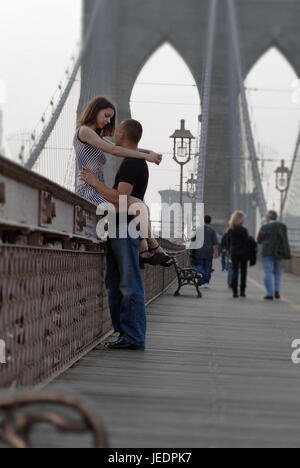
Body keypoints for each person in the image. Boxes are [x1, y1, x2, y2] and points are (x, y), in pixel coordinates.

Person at [80, 119, 170, 350]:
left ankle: (134, 338)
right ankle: (124, 334)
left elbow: (118, 198)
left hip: (125, 228)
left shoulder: (132, 165)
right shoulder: (135, 160)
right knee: (116, 282)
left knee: (129, 285)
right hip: (120, 228)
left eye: (115, 130)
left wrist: (93, 182)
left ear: (121, 134)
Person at [75, 96, 171, 267]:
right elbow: (113, 150)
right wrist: (146, 156)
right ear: (95, 111)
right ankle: (154, 248)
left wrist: (150, 153)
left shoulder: (95, 136)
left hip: (96, 189)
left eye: (110, 117)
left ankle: (145, 250)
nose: (108, 120)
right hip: (88, 191)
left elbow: (123, 148)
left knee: (141, 207)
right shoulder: (84, 131)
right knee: (138, 206)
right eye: (106, 115)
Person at [257, 210, 291, 300]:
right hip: (278, 253)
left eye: (267, 216)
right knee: (278, 273)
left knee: (268, 272)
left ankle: (270, 293)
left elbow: (259, 240)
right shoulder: (282, 227)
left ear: (269, 217)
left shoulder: (265, 227)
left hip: (267, 252)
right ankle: (277, 290)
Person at [190, 216, 219, 289]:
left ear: (204, 221)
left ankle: (201, 279)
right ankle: (206, 282)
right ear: (210, 221)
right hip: (209, 252)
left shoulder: (198, 229)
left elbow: (192, 239)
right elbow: (215, 243)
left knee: (200, 266)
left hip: (199, 252)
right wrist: (216, 252)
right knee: (208, 267)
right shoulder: (212, 231)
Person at [227, 211, 249, 299]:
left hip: (234, 252)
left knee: (235, 271)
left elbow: (228, 241)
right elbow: (247, 242)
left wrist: (230, 249)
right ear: (241, 220)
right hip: (243, 253)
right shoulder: (244, 230)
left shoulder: (231, 229)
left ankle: (235, 292)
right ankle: (242, 291)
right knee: (243, 272)